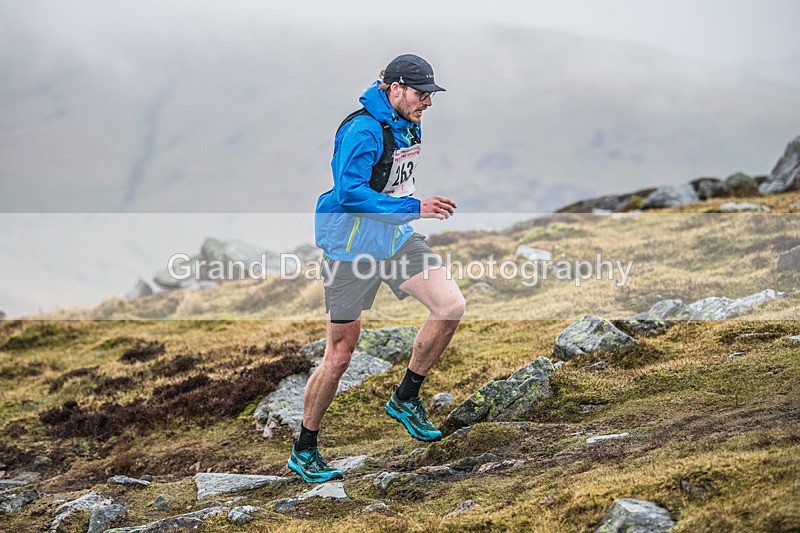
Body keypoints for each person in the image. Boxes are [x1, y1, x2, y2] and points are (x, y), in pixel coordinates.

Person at [287, 54, 466, 483]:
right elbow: (350, 195)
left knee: (450, 305)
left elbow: (394, 175)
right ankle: (305, 449)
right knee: (340, 355)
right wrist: (414, 207)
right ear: (396, 88)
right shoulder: (362, 129)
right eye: (422, 94)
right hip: (350, 250)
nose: (428, 103)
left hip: (395, 239)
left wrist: (407, 213)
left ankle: (405, 398)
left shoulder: (408, 120)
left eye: (431, 95)